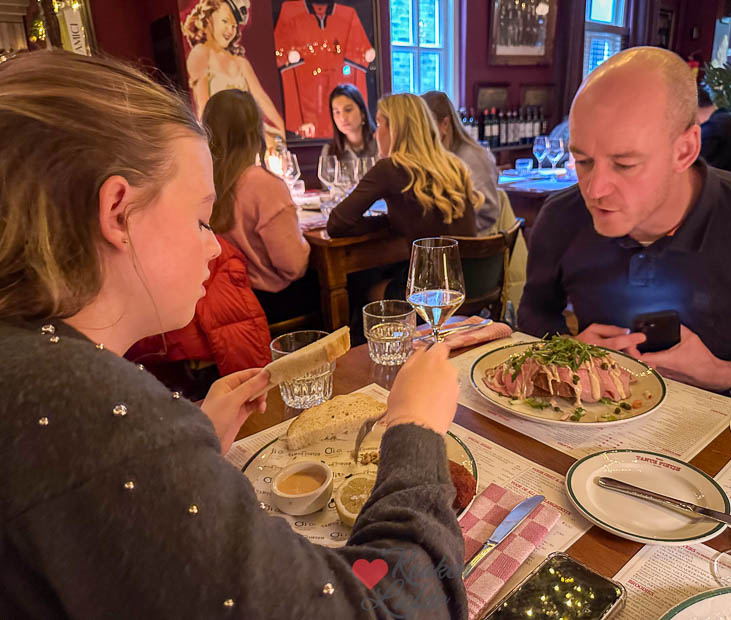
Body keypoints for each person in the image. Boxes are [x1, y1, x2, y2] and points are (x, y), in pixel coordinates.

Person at [0, 50, 467, 618]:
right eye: (202, 217)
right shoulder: (83, 407)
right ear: (118, 211)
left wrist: (185, 445)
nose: (216, 243)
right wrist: (415, 427)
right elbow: (396, 607)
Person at [518, 46, 731, 392]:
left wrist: (729, 373)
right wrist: (567, 348)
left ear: (685, 150)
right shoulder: (561, 216)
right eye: (584, 161)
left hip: (725, 426)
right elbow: (534, 314)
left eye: (624, 164)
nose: (595, 190)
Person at [327, 93, 482, 299]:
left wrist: (384, 223)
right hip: (470, 285)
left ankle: (358, 332)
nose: (375, 134)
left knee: (360, 287)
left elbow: (336, 223)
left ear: (395, 130)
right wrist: (389, 222)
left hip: (430, 293)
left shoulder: (390, 168)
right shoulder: (453, 165)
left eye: (380, 124)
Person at [201, 88, 312, 324]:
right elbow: (293, 266)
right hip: (268, 303)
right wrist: (302, 242)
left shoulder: (201, 183)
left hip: (220, 302)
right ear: (254, 133)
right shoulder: (263, 185)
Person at [126, 235, 272, 400]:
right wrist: (253, 387)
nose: (214, 247)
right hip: (183, 366)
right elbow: (234, 328)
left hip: (153, 361)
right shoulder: (196, 251)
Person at [182, 0, 286, 140]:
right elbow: (203, 108)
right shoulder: (201, 54)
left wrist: (282, 130)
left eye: (234, 26)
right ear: (208, 19)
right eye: (225, 21)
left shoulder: (240, 62)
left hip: (249, 136)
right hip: (220, 138)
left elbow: (262, 99)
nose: (230, 30)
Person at [273, 0, 375, 139]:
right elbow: (279, 50)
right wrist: (290, 56)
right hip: (306, 85)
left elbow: (362, 53)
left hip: (337, 80)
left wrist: (360, 55)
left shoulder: (347, 15)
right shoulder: (291, 11)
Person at [422, 90, 500, 234]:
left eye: (426, 126)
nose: (421, 134)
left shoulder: (471, 157)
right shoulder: (441, 156)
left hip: (476, 244)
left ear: (445, 124)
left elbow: (488, 211)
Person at [320, 83, 378, 162]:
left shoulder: (380, 144)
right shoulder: (329, 151)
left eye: (348, 110)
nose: (343, 118)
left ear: (362, 113)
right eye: (337, 112)